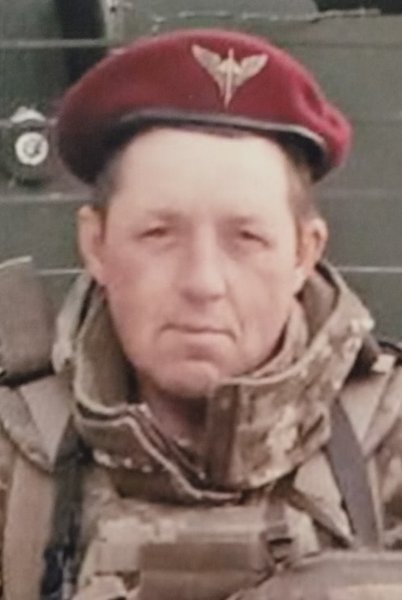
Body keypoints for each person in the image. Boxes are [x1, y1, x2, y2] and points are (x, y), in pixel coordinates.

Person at [1, 27, 402, 600]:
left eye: (246, 238)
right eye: (159, 234)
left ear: (303, 253)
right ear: (96, 244)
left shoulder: (389, 435)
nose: (203, 282)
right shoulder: (17, 454)